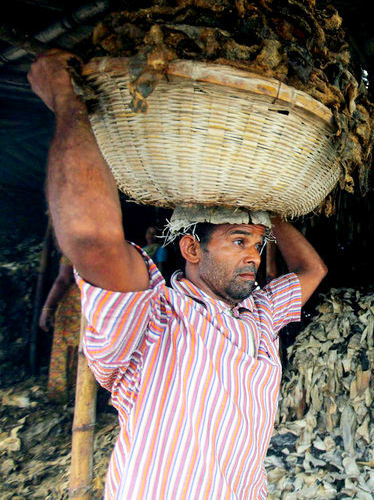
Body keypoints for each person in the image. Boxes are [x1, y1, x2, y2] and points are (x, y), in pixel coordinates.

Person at [28, 49, 328, 499]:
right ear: (191, 247)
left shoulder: (260, 314)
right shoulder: (155, 318)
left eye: (257, 244)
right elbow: (92, 240)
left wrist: (267, 215)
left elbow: (313, 269)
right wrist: (68, 104)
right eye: (238, 240)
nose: (254, 255)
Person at [39, 253, 81, 403]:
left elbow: (63, 280)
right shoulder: (106, 249)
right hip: (96, 304)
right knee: (85, 350)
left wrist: (47, 309)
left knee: (63, 347)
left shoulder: (71, 251)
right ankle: (82, 394)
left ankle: (60, 395)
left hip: (73, 305)